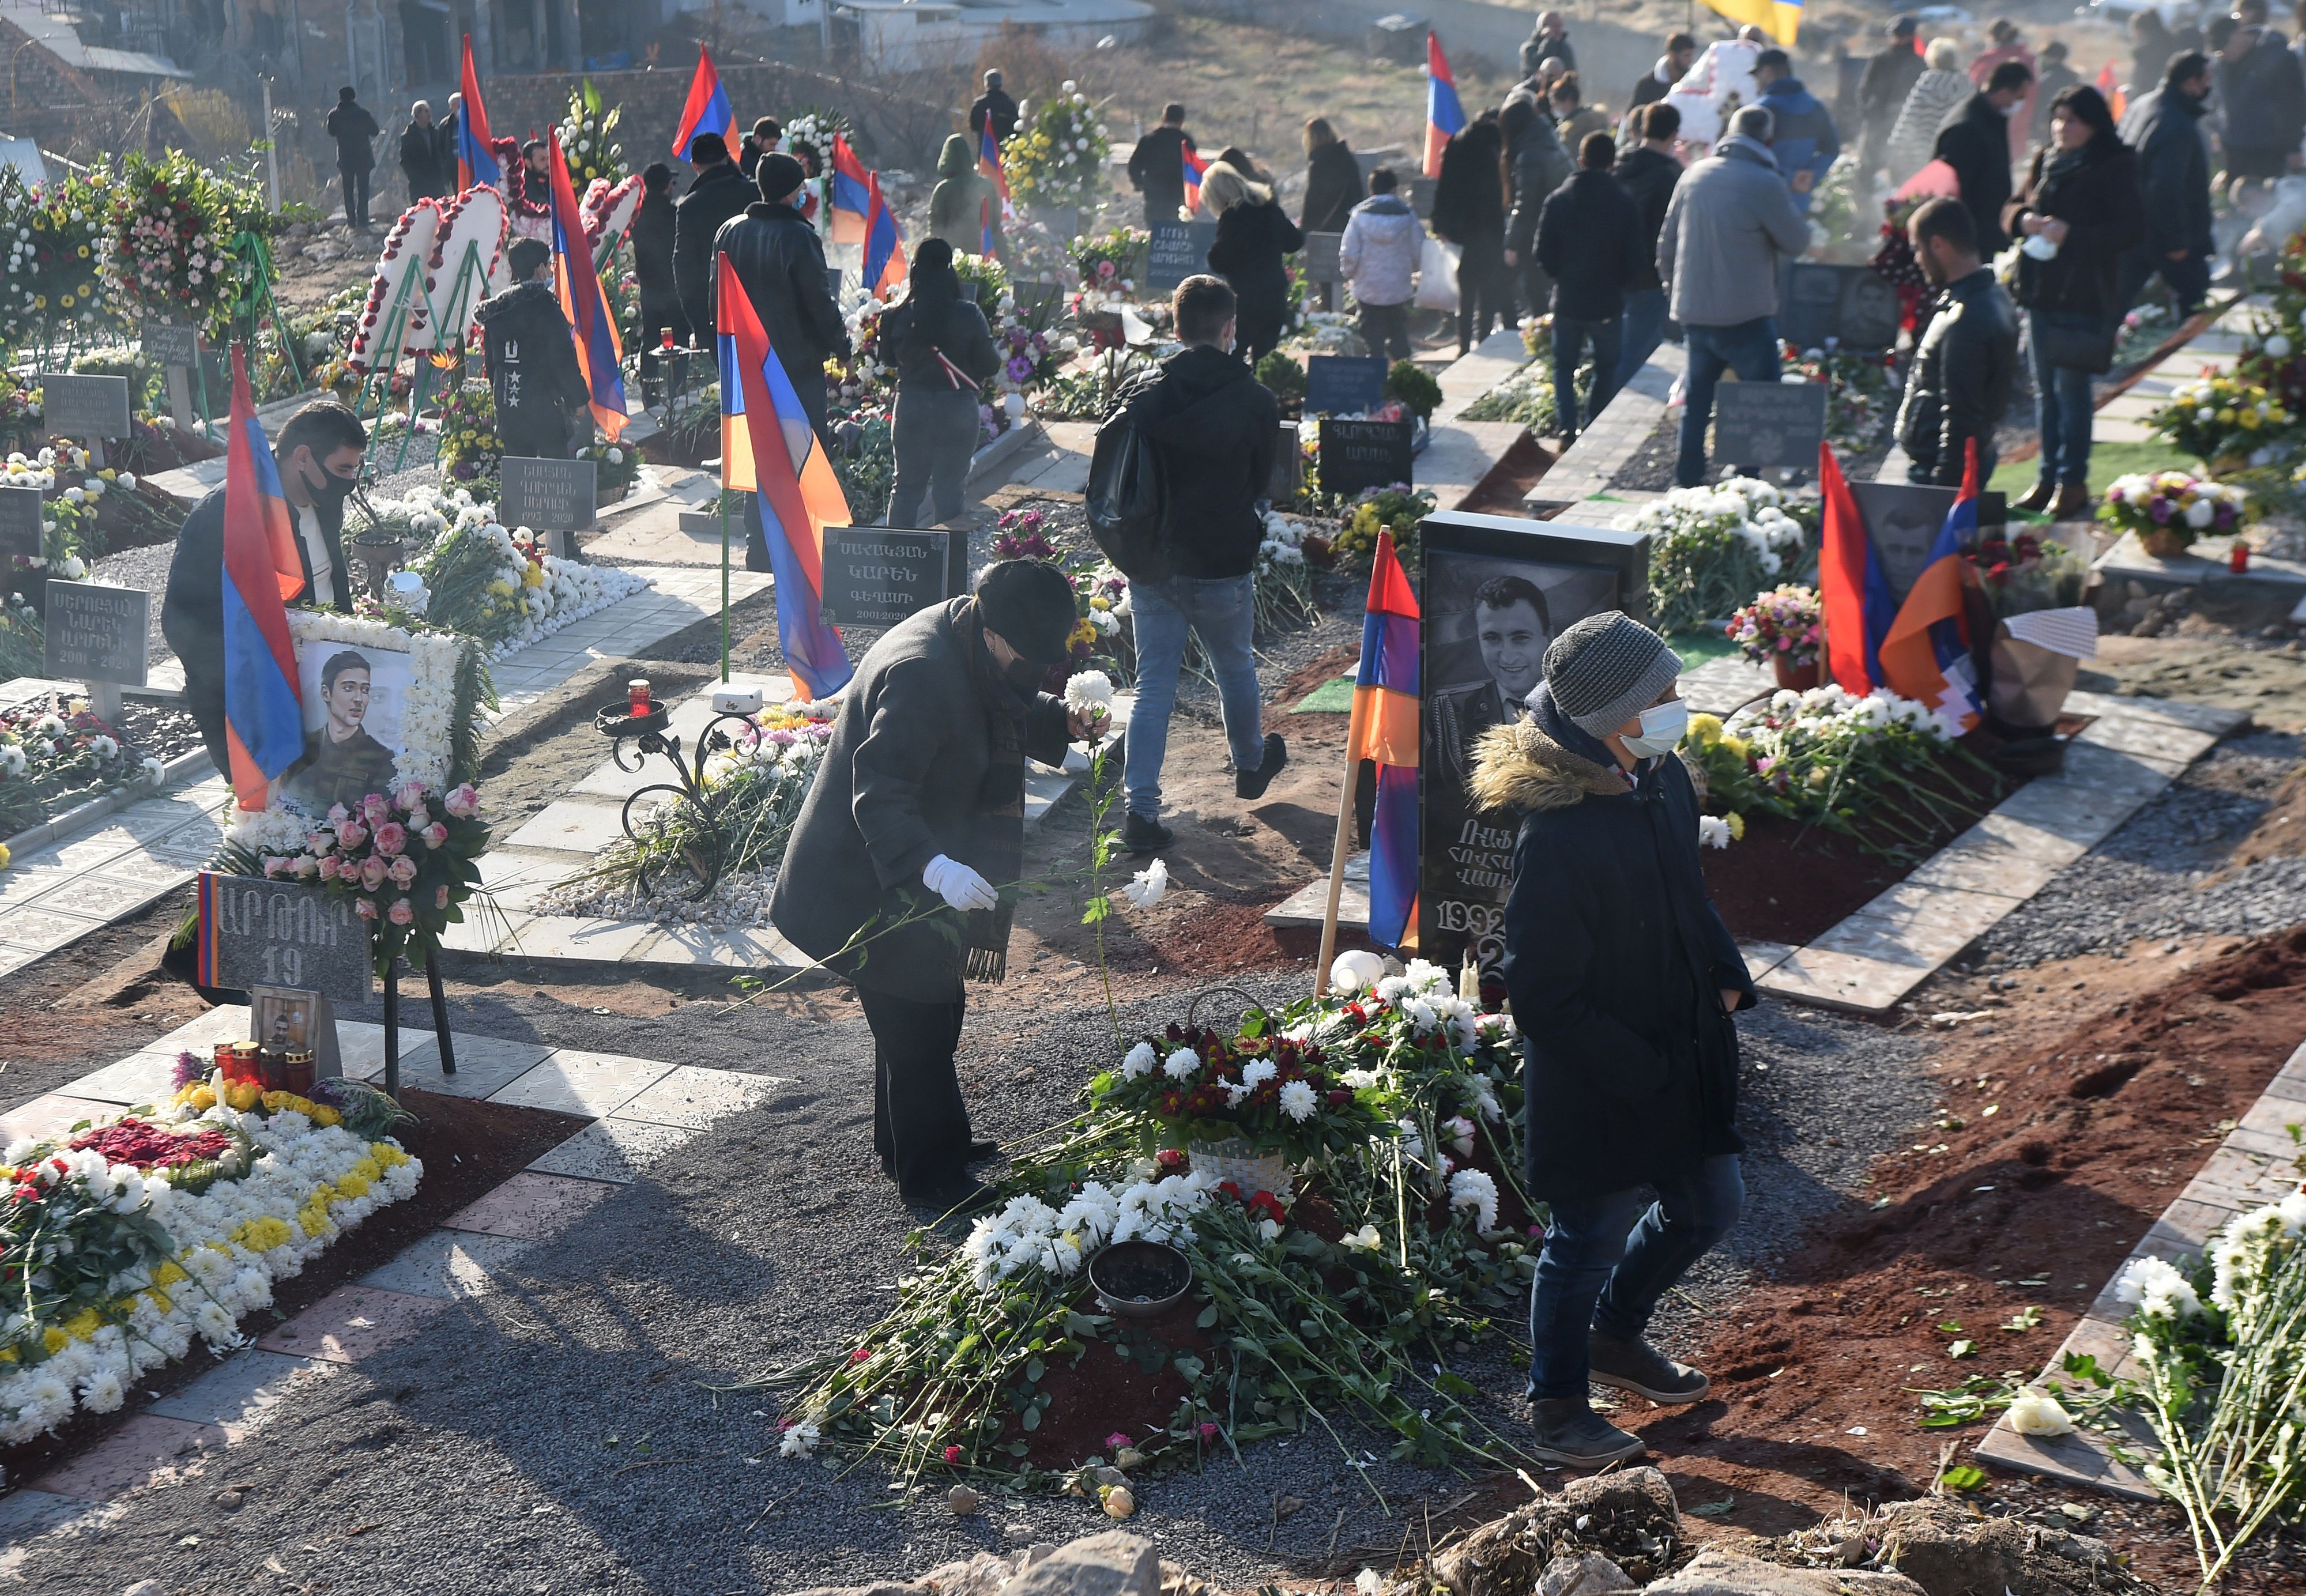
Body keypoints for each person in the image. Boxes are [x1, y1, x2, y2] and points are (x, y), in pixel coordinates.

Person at [1469, 610, 1754, 1467]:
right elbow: (1544, 997)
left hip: (1680, 1047)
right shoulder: (1558, 833)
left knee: (1713, 1205)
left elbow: (1688, 892)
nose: (1678, 702)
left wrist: (1727, 967)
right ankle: (1557, 1405)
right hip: (1600, 1076)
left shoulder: (1661, 779)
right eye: (1661, 693)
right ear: (1611, 716)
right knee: (1586, 1235)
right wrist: (1640, 1067)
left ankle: (1616, 1335)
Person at [769, 561, 1109, 1216]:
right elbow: (880, 797)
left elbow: (997, 700)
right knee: (917, 1017)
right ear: (993, 632)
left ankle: (904, 1142)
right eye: (1029, 659)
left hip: (898, 866)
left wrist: (1059, 721)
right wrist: (936, 868)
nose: (1036, 672)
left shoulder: (971, 632)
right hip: (858, 879)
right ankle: (931, 1178)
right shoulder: (922, 673)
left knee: (926, 1006)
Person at [1117, 274, 1283, 851]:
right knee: (1234, 666)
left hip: (1154, 563)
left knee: (1152, 687)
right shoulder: (1257, 400)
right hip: (1221, 560)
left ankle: (1139, 813)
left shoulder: (1145, 394)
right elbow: (1265, 483)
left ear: (1175, 325)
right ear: (1230, 328)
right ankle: (1250, 764)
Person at [162, 402, 368, 778]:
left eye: (354, 470)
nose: (350, 481)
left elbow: (330, 584)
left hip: (321, 697)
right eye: (343, 469)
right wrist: (258, 672)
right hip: (256, 708)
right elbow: (181, 621)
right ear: (303, 457)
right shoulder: (225, 514)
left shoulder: (324, 499)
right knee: (275, 825)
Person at [2006, 87, 2146, 516]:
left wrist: (2072, 235)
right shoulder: (2047, 158)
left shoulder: (2115, 165)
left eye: (2074, 121)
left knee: (2072, 391)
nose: (2064, 128)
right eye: (2059, 118)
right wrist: (2023, 219)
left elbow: (2131, 230)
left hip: (2082, 293)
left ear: (2094, 125)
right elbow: (2012, 204)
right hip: (2039, 290)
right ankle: (2046, 477)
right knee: (2045, 392)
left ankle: (2073, 480)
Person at [1656, 105, 1809, 486]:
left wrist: (1676, 293)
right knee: (1761, 402)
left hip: (1695, 312)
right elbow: (1797, 241)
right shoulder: (1763, 182)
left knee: (1697, 401)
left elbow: (1666, 246)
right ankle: (1748, 481)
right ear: (1769, 141)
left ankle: (1687, 480)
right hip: (1745, 316)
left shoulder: (1694, 175)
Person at [717, 152, 851, 458]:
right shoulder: (799, 236)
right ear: (790, 192)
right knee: (804, 455)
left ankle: (757, 509)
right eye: (800, 187)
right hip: (796, 365)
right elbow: (820, 301)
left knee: (759, 455)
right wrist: (843, 350)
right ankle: (800, 509)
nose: (804, 193)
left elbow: (717, 300)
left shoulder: (730, 231)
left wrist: (724, 352)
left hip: (747, 362)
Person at [1894, 196, 2019, 488]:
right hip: (1966, 461)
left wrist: (1944, 490)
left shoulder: (1966, 318)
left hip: (1940, 471)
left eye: (1917, 249)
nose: (1917, 259)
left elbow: (1961, 416)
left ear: (1938, 245)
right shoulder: (1991, 297)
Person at [881, 239, 999, 528]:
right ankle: (947, 563)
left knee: (906, 488)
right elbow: (991, 365)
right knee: (950, 490)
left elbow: (888, 359)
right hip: (957, 407)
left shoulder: (893, 314)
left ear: (915, 269)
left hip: (911, 405)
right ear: (950, 269)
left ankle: (897, 562)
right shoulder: (968, 313)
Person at [1537, 131, 1645, 442]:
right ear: (1612, 163)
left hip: (1568, 299)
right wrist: (1619, 284)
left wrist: (1562, 276)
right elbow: (1635, 257)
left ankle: (1568, 425)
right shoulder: (1623, 202)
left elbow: (1542, 253)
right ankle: (1593, 421)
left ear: (1581, 160)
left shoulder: (1558, 199)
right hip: (1607, 302)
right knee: (1607, 365)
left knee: (1564, 366)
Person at [1427, 575, 1549, 801]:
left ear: (1548, 638)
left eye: (1520, 637)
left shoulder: (1575, 712)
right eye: (1492, 638)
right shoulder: (1450, 712)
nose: (1508, 656)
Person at [476, 237, 592, 461]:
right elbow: (563, 359)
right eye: (549, 266)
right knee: (553, 477)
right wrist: (578, 398)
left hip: (510, 404)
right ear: (540, 269)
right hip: (545, 408)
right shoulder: (546, 307)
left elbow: (491, 364)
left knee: (518, 475)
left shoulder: (497, 311)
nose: (551, 271)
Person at [2123, 52, 2215, 318]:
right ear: (2190, 83)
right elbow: (2166, 187)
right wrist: (2176, 240)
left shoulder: (2144, 105)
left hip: (2134, 225)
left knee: (2118, 300)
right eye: (2206, 80)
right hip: (2165, 234)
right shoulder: (2177, 125)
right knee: (2195, 297)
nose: (2208, 88)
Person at [1201, 161, 1303, 365]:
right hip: (1275, 296)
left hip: (1245, 301)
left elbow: (1220, 261)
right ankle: (1265, 395)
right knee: (1264, 360)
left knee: (1234, 358)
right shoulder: (1269, 209)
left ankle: (1236, 397)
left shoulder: (1232, 218)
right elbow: (1295, 241)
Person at [1614, 102, 1682, 388]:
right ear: (1674, 134)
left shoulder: (1620, 164)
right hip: (1651, 273)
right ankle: (1607, 405)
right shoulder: (1670, 175)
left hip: (1614, 267)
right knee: (1634, 347)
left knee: (1640, 338)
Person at [1934, 60, 2033, 256]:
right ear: (2004, 92)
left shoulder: (1991, 117)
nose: (2022, 103)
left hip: (1990, 227)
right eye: (2020, 96)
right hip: (1971, 237)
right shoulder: (1966, 127)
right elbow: (1955, 190)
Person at [1432, 116, 1514, 354]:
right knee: (1488, 291)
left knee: (1465, 293)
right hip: (1489, 231)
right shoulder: (1493, 150)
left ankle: (1463, 344)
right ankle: (1484, 340)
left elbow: (1444, 188)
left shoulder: (1456, 145)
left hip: (1461, 231)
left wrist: (1441, 225)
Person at [283, 650, 398, 813]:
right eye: (349, 688)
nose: (359, 699)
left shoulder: (382, 759)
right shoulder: (301, 746)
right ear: (326, 693)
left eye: (365, 690)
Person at [2211, 14, 2306, 195]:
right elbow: (2222, 108)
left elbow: (2293, 105)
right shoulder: (2222, 64)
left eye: (2226, 47)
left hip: (2269, 151)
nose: (2224, 54)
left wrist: (2294, 147)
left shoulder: (2279, 57)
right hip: (2235, 153)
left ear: (2239, 35)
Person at [672, 131, 751, 346]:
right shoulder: (755, 192)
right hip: (765, 310)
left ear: (694, 165)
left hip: (719, 315)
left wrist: (699, 323)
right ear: (727, 158)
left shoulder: (690, 206)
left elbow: (684, 267)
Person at [1339, 167, 1423, 364]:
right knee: (1398, 328)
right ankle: (1403, 370)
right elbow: (1419, 248)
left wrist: (1349, 273)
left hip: (1368, 286)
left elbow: (1349, 252)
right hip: (1398, 286)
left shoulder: (1359, 216)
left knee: (1371, 333)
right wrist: (1414, 270)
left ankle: (1374, 372)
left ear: (1372, 190)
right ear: (1394, 189)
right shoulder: (1408, 215)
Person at [1502, 97, 1574, 324]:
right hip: (1562, 229)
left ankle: (1544, 343)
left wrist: (1512, 244)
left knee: (1536, 293)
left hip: (1537, 235)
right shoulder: (1552, 142)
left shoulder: (1529, 156)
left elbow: (1525, 204)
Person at [1751, 48, 1840, 212]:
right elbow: (1831, 150)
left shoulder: (1760, 110)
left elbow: (1749, 158)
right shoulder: (1816, 106)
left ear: (1767, 71)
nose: (1756, 82)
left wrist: (1788, 177)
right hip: (1799, 203)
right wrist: (1809, 176)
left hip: (1763, 202)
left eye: (1756, 75)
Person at [631, 162, 689, 396]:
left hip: (649, 287)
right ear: (668, 186)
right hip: (675, 287)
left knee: (651, 339)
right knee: (680, 340)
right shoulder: (676, 215)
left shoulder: (636, 217)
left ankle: (650, 392)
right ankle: (679, 389)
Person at [1886, 39, 1975, 186]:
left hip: (1925, 150)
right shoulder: (1967, 84)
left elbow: (1911, 116)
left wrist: (1896, 146)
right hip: (1959, 151)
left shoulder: (1928, 82)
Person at [1857, 16, 1926, 183]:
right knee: (1868, 166)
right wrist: (1867, 112)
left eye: (1903, 35)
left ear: (1911, 36)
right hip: (1877, 121)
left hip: (1905, 124)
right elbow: (1864, 89)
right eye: (1895, 35)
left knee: (1901, 168)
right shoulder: (1880, 59)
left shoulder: (1919, 64)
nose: (1898, 39)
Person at [1969, 18, 2039, 162]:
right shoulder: (2029, 59)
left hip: (1989, 120)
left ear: (1992, 36)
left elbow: (1973, 87)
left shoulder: (1987, 60)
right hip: (2022, 120)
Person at [929, 133, 1000, 255]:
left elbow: (936, 229)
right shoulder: (987, 184)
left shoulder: (943, 189)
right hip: (986, 250)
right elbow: (996, 220)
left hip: (953, 254)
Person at [1128, 104, 1197, 227]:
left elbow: (1134, 166)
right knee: (1173, 236)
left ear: (1164, 118)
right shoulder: (1187, 142)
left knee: (1154, 234)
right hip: (1177, 198)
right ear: (1182, 121)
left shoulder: (1149, 140)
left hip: (1154, 197)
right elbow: (1192, 172)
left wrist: (1141, 185)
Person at [326, 85, 380, 231]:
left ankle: (351, 220)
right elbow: (375, 131)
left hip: (346, 157)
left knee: (348, 190)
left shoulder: (334, 115)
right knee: (363, 189)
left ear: (340, 98)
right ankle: (363, 219)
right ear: (354, 97)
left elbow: (331, 132)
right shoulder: (363, 114)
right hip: (363, 156)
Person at [1299, 116, 1364, 233]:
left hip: (1328, 230)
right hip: (1351, 225)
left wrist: (1304, 230)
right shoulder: (1346, 158)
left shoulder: (1320, 163)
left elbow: (1314, 200)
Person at [1629, 32, 1697, 124]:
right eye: (1686, 56)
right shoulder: (1647, 85)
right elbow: (1633, 118)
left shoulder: (1692, 83)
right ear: (1672, 55)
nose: (1691, 60)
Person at [2030, 40, 2081, 145]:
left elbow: (2040, 103)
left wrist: (2038, 123)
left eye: (2046, 56)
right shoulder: (2072, 76)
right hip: (2069, 124)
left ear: (2056, 58)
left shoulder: (2048, 79)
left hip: (2047, 124)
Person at [1550, 74, 1611, 153]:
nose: (1552, 109)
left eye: (1555, 104)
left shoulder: (1569, 132)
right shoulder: (1598, 120)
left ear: (1568, 101)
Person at [399, 100, 443, 202]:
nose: (429, 114)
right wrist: (415, 177)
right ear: (418, 115)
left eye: (429, 111)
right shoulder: (408, 136)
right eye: (426, 111)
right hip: (419, 185)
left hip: (436, 183)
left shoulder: (435, 133)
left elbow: (441, 155)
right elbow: (405, 161)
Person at [2131, 9, 2181, 97]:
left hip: (2148, 97)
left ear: (2141, 30)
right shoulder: (2170, 43)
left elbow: (2143, 82)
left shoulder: (2149, 50)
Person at [969, 69, 1020, 143]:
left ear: (986, 84)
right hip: (1006, 148)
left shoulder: (979, 104)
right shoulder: (1009, 104)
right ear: (1001, 83)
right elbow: (1017, 127)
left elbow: (974, 127)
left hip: (986, 149)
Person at [1523, 11, 1576, 78]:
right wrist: (1550, 41)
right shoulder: (1530, 47)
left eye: (1560, 26)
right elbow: (1536, 64)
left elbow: (1571, 72)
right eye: (1555, 26)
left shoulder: (1565, 48)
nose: (1559, 30)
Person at [436, 92, 464, 190]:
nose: (462, 108)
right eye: (459, 106)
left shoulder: (471, 121)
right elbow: (441, 147)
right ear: (452, 108)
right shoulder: (445, 125)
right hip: (454, 169)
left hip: (469, 166)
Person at [739, 116, 781, 180]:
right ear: (758, 139)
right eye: (771, 144)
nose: (774, 148)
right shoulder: (743, 157)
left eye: (775, 145)